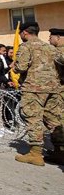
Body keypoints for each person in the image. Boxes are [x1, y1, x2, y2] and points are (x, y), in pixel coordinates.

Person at [11, 22, 64, 166]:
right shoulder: (51, 48)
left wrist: (14, 67)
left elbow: (21, 67)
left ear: (25, 33)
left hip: (34, 88)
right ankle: (60, 151)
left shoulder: (26, 46)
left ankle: (35, 153)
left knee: (33, 118)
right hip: (53, 88)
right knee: (54, 120)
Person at [46, 27, 64, 164]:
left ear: (58, 38)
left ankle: (60, 152)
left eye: (51, 37)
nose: (49, 39)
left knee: (56, 120)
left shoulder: (59, 52)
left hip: (60, 91)